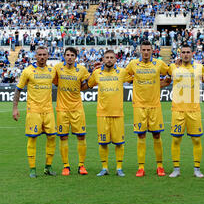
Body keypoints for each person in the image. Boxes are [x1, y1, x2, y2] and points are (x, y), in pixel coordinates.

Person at [125, 41, 170, 177]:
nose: (145, 52)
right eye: (143, 49)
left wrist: (161, 84)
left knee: (157, 135)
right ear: (140, 50)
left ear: (152, 50)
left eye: (148, 50)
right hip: (139, 106)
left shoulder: (158, 64)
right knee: (141, 135)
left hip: (155, 105)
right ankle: (141, 167)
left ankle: (160, 166)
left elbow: (169, 74)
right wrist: (135, 82)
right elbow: (126, 77)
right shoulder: (133, 64)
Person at [165, 45, 204, 178]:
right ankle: (176, 169)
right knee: (176, 140)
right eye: (183, 52)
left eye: (188, 52)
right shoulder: (173, 67)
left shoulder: (199, 67)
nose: (185, 54)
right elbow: (165, 80)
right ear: (180, 54)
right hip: (177, 110)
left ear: (192, 54)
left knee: (196, 140)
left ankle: (197, 169)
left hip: (194, 110)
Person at [12, 46, 57, 178]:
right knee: (32, 138)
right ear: (35, 56)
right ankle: (32, 169)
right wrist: (15, 108)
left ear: (48, 56)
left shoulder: (52, 71)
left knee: (52, 137)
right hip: (34, 111)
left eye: (44, 54)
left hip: (48, 110)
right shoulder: (28, 71)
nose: (42, 57)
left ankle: (48, 167)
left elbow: (61, 83)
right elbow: (18, 89)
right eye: (39, 55)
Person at [87, 50, 131, 177]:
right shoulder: (96, 73)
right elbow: (90, 84)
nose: (109, 60)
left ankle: (119, 168)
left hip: (118, 113)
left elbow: (133, 78)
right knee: (103, 142)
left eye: (112, 57)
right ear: (103, 59)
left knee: (119, 143)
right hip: (102, 113)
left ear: (116, 59)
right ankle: (104, 168)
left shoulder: (122, 72)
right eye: (107, 57)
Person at [53, 47, 90, 176]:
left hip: (77, 108)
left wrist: (90, 84)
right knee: (63, 137)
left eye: (72, 55)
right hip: (62, 109)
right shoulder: (57, 68)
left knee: (81, 136)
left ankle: (81, 165)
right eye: (67, 55)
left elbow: (84, 87)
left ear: (75, 57)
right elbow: (56, 83)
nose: (69, 57)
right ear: (64, 56)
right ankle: (66, 166)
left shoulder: (82, 70)